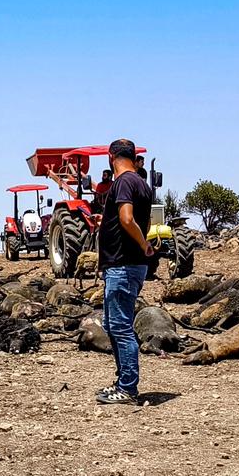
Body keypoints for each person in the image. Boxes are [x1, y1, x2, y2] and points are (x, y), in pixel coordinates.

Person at [97, 139, 154, 405]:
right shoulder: (142, 183)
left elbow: (127, 219)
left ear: (110, 157)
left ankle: (128, 387)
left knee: (120, 327)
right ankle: (122, 381)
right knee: (111, 324)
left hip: (123, 264)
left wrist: (144, 245)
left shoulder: (123, 182)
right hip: (124, 264)